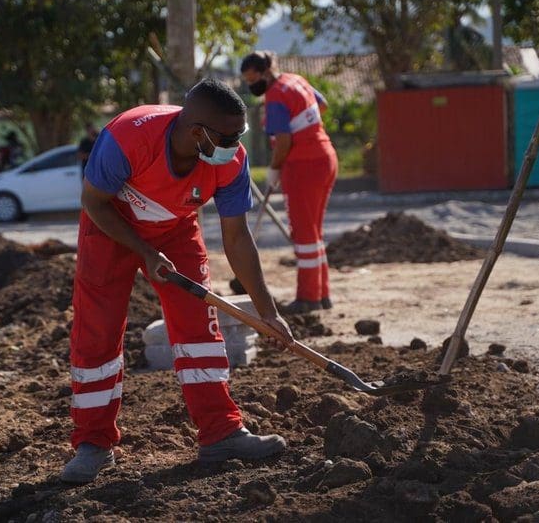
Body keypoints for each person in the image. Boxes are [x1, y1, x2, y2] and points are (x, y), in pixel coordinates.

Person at [62, 78, 293, 483]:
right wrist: (146, 253)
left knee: (198, 327)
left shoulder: (231, 162)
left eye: (241, 134)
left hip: (175, 229)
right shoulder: (128, 137)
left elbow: (237, 238)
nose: (236, 144)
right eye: (228, 136)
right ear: (196, 132)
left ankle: (221, 432)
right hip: (110, 226)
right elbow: (93, 201)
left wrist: (268, 311)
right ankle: (93, 443)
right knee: (96, 333)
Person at [240, 51, 339, 314]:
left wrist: (273, 169)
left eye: (253, 80)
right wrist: (307, 130)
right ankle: (322, 293)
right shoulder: (296, 80)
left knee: (304, 235)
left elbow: (283, 141)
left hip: (303, 166)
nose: (252, 86)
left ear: (264, 72)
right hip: (326, 157)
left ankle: (308, 298)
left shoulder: (275, 96)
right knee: (314, 232)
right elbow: (323, 105)